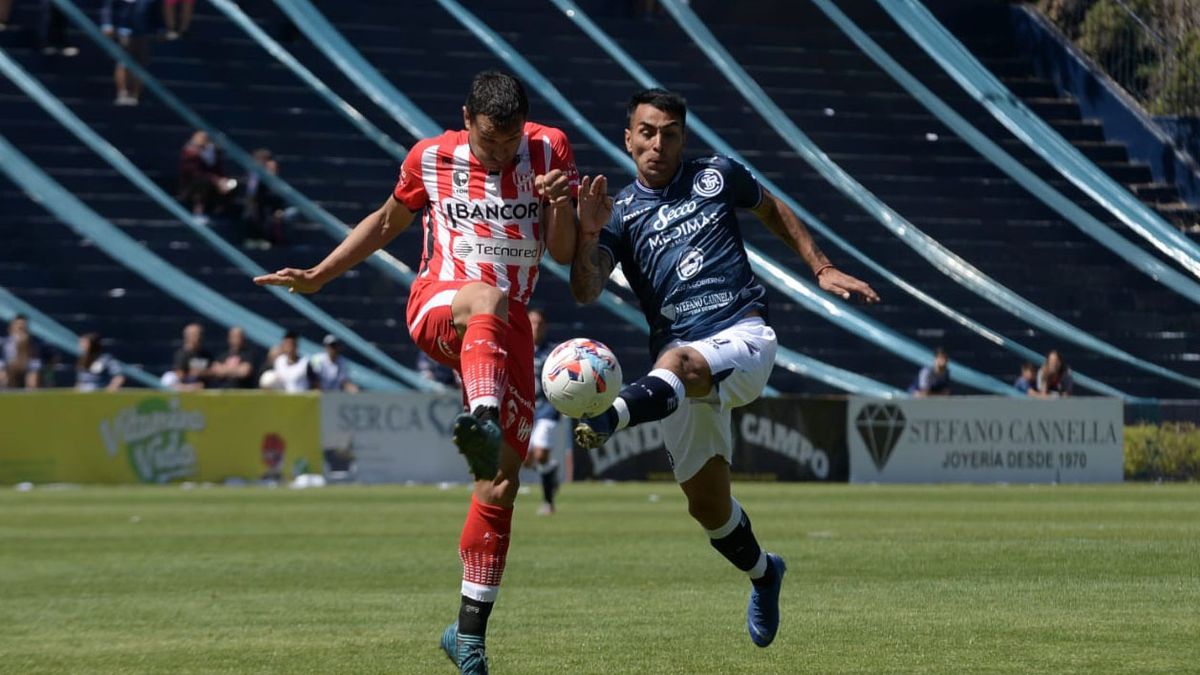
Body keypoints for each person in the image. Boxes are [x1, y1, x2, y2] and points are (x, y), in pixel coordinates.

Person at [254, 71, 578, 674]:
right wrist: (320, 276)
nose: (501, 153)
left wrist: (562, 204)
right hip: (441, 303)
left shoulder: (550, 149)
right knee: (484, 295)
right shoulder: (431, 157)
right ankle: (479, 415)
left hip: (505, 334)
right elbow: (384, 223)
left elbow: (561, 253)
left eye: (509, 144)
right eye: (489, 142)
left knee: (501, 486)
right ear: (466, 119)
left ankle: (468, 635)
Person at [569, 88, 879, 649]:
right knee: (709, 509)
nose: (657, 143)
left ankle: (611, 415)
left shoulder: (716, 175)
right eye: (647, 132)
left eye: (669, 133)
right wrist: (588, 236)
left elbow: (772, 207)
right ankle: (765, 573)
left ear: (684, 139)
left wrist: (822, 266)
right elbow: (587, 290)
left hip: (741, 337)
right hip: (675, 375)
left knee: (680, 361)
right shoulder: (621, 214)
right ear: (628, 138)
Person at [522, 307, 562, 515]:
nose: (535, 327)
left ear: (545, 327)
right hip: (524, 407)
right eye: (532, 322)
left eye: (539, 323)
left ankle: (548, 503)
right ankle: (550, 471)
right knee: (526, 460)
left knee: (540, 451)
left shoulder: (554, 352)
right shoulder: (517, 348)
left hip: (548, 407)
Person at [100, 0, 156, 106]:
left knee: (141, 63)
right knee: (123, 63)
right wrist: (107, 25)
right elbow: (108, 9)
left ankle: (135, 94)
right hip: (123, 31)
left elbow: (153, 12)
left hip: (142, 32)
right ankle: (122, 92)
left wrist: (157, 29)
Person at [178, 130, 237, 220]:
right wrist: (217, 181)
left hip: (213, 183)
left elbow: (219, 170)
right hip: (192, 185)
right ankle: (198, 212)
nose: (203, 140)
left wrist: (223, 180)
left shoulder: (213, 152)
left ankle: (219, 211)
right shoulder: (189, 152)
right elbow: (195, 173)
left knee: (232, 183)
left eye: (205, 138)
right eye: (201, 138)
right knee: (203, 181)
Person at [0, 314, 43, 389]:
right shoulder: (3, 343)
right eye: (17, 326)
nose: (20, 328)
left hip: (27, 368)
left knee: (33, 378)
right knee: (2, 375)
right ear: (10, 328)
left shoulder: (32, 344)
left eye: (23, 326)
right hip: (8, 369)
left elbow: (35, 362)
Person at [171, 322, 213, 391]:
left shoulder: (206, 354)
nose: (199, 337)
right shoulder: (182, 355)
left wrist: (202, 373)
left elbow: (214, 371)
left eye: (200, 334)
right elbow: (180, 376)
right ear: (187, 337)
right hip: (189, 391)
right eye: (195, 335)